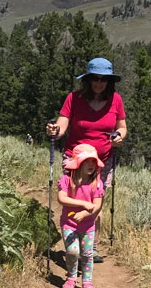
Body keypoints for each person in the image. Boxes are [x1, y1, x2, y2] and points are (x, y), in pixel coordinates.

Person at [45, 57, 127, 254]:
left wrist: (119, 137)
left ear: (109, 82)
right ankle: (73, 240)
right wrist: (55, 130)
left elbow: (122, 127)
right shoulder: (74, 98)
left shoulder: (116, 100)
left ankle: (91, 246)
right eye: (95, 79)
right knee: (73, 197)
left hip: (102, 160)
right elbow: (63, 123)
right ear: (88, 80)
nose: (99, 83)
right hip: (76, 159)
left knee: (95, 200)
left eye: (103, 79)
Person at [57, 144, 104, 288]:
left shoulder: (96, 183)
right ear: (77, 163)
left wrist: (85, 213)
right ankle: (71, 278)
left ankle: (87, 280)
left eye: (93, 161)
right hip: (69, 224)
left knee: (87, 254)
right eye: (87, 161)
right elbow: (61, 198)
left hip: (88, 225)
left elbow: (97, 205)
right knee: (72, 252)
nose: (91, 165)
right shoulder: (66, 179)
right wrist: (83, 204)